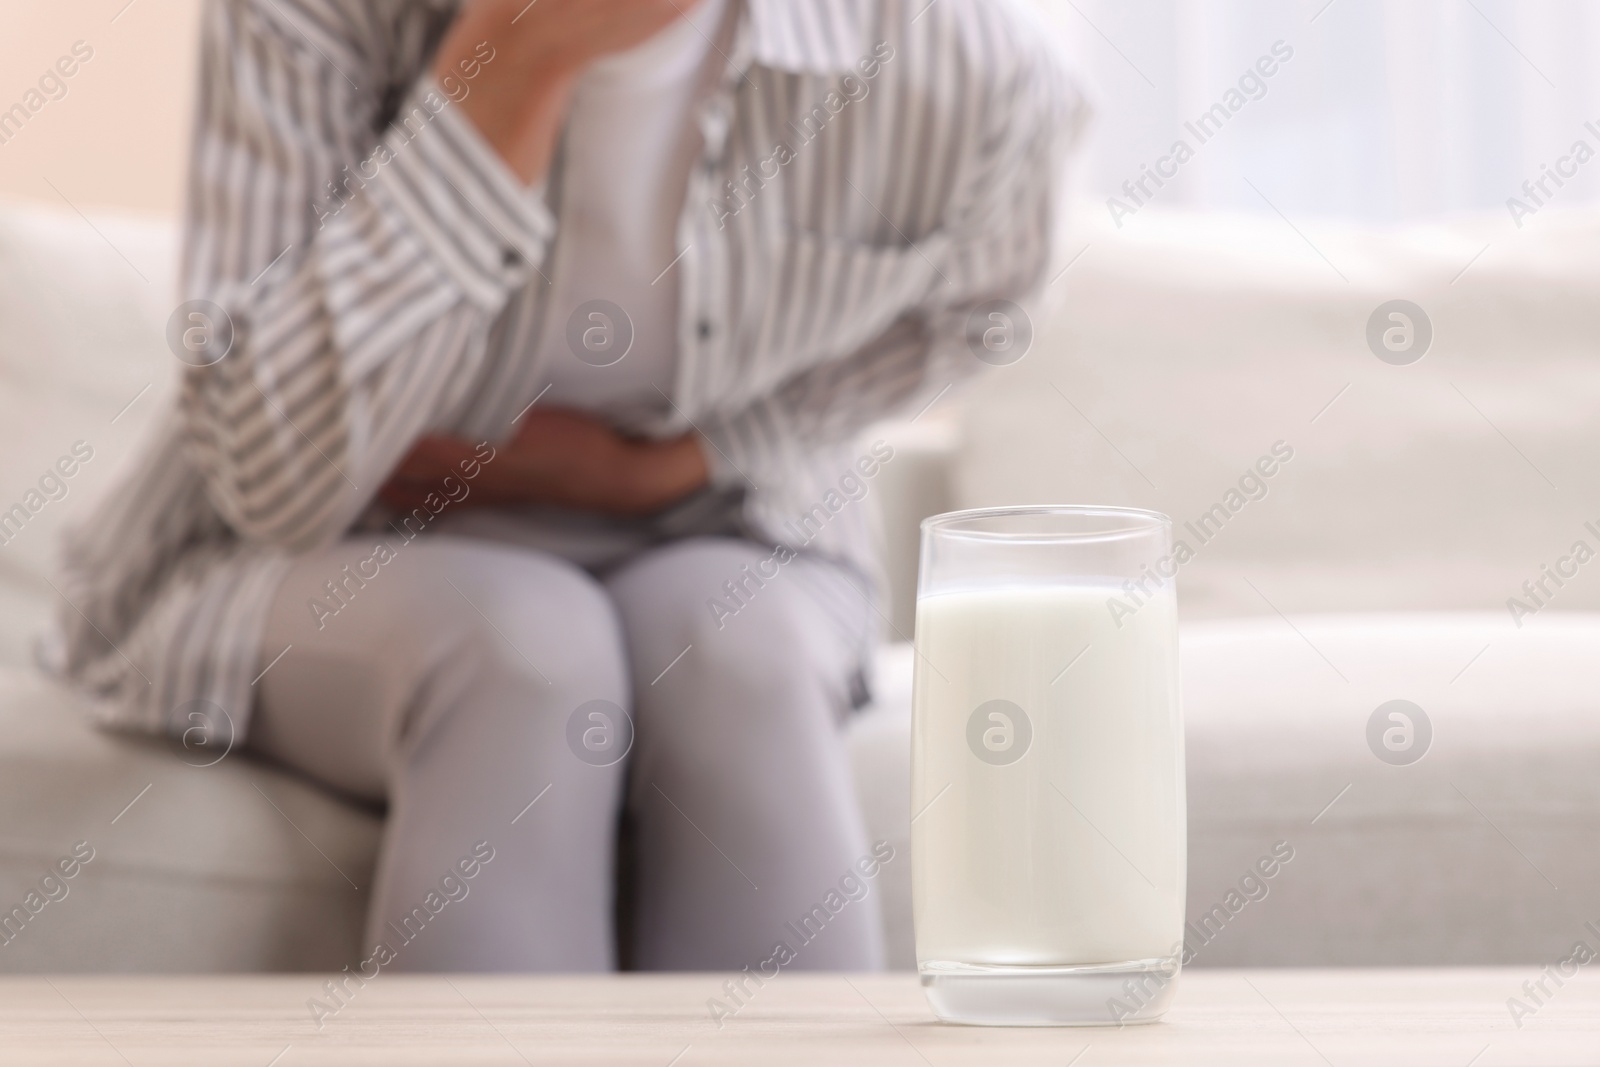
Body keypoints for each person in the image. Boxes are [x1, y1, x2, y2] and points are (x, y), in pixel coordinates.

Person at [48, 0, 1080, 971]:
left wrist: (675, 464)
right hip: (310, 545)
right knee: (524, 648)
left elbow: (981, 307)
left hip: (727, 524)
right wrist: (511, 65)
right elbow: (269, 475)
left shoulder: (958, 59)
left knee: (738, 656)